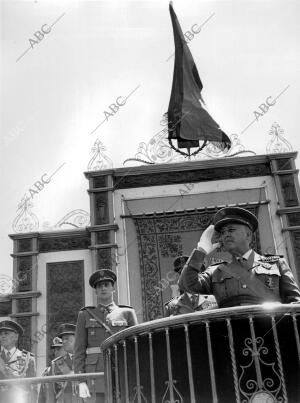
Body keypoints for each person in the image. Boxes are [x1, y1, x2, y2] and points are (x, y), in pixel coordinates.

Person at [178, 206, 300, 308]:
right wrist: (202, 249)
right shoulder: (216, 270)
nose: (226, 235)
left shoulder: (277, 264)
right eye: (223, 232)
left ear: (248, 236)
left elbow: (295, 303)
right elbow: (187, 286)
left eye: (230, 230)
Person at [74, 269, 138, 403]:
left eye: (106, 285)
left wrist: (136, 375)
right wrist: (81, 380)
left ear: (113, 288)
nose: (103, 288)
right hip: (95, 377)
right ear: (95, 291)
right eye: (99, 286)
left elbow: (136, 347)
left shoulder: (127, 313)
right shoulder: (85, 315)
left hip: (123, 372)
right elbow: (79, 350)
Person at [0, 319, 36, 403]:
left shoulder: (28, 358)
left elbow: (32, 388)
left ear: (16, 337)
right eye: (0, 334)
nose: (2, 336)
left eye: (6, 333)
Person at [50, 324, 80, 403]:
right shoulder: (56, 364)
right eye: (63, 339)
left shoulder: (88, 358)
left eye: (67, 338)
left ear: (77, 339)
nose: (63, 341)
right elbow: (51, 394)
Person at [38, 336, 66, 403]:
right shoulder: (47, 372)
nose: (55, 352)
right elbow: (42, 398)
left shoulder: (72, 370)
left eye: (58, 349)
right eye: (55, 350)